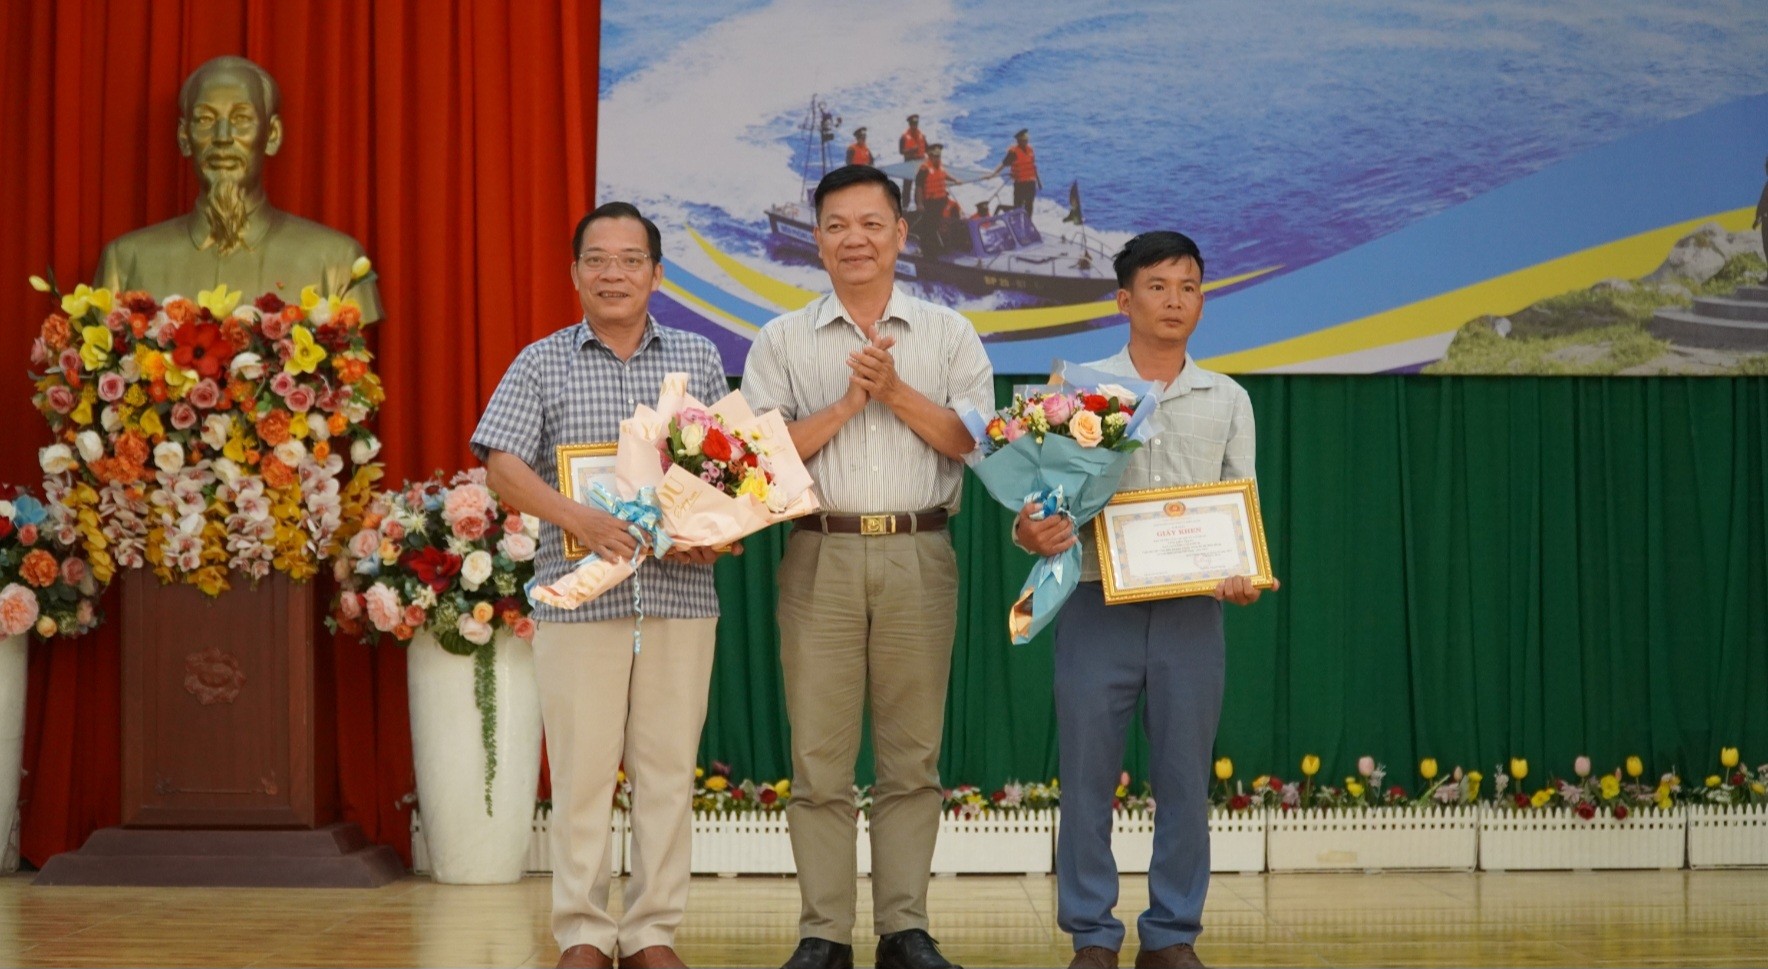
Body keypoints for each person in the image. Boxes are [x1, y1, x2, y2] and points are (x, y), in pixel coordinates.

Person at [741, 165, 993, 969]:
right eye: (838, 225)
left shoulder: (950, 334)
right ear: (817, 239)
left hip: (921, 550)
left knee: (911, 755)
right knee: (818, 755)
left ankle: (904, 928)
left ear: (900, 234)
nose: (856, 238)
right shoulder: (782, 340)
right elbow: (757, 464)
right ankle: (822, 933)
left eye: (872, 223)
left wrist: (893, 390)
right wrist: (848, 406)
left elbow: (972, 442)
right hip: (820, 548)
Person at [472, 202, 731, 969]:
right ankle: (583, 931)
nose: (613, 273)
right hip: (579, 596)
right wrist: (575, 518)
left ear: (657, 273)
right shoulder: (541, 360)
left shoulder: (698, 358)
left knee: (665, 773)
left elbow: (728, 469)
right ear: (575, 273)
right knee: (582, 772)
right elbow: (502, 466)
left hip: (680, 596)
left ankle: (652, 932)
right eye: (597, 259)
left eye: (629, 259)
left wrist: (705, 528)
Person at [1014, 231, 1279, 969]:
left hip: (1195, 611)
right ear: (1123, 298)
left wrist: (1243, 572)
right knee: (1088, 773)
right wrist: (1032, 528)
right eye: (1157, 286)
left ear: (1203, 299)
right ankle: (1092, 934)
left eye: (1188, 286)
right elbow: (1043, 495)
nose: (1174, 300)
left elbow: (1241, 504)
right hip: (1097, 603)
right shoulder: (1078, 385)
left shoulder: (1227, 397)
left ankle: (1171, 934)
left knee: (1186, 777)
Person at [95, 56, 381, 318]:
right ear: (184, 137)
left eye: (241, 119)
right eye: (205, 120)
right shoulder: (126, 262)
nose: (222, 137)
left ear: (272, 135)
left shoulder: (336, 262)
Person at [913, 145, 964, 254]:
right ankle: (925, 249)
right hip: (930, 202)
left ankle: (934, 246)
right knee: (928, 225)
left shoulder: (940, 166)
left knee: (936, 224)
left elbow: (944, 175)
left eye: (939, 156)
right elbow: (918, 187)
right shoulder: (924, 168)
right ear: (930, 156)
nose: (937, 158)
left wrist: (955, 180)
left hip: (940, 201)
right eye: (935, 156)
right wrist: (920, 203)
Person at [985, 128, 1041, 215]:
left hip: (1030, 183)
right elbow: (1003, 164)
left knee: (1029, 206)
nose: (1027, 141)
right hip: (1020, 184)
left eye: (1027, 139)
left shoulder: (1030, 150)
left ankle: (1028, 224)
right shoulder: (1013, 152)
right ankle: (1017, 223)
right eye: (1024, 140)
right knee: (1018, 206)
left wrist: (1038, 181)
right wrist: (993, 174)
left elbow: (1033, 166)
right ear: (1019, 141)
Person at [898, 114, 928, 207]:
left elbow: (927, 148)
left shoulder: (922, 136)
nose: (914, 125)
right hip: (909, 163)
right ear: (909, 124)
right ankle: (905, 207)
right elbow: (901, 151)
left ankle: (919, 206)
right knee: (907, 185)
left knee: (920, 186)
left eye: (916, 123)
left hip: (920, 163)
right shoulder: (904, 136)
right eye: (912, 124)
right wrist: (912, 150)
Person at [1754, 156, 1768, 279]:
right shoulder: (1767, 185)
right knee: (1766, 246)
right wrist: (1757, 218)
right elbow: (1762, 203)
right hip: (1765, 221)